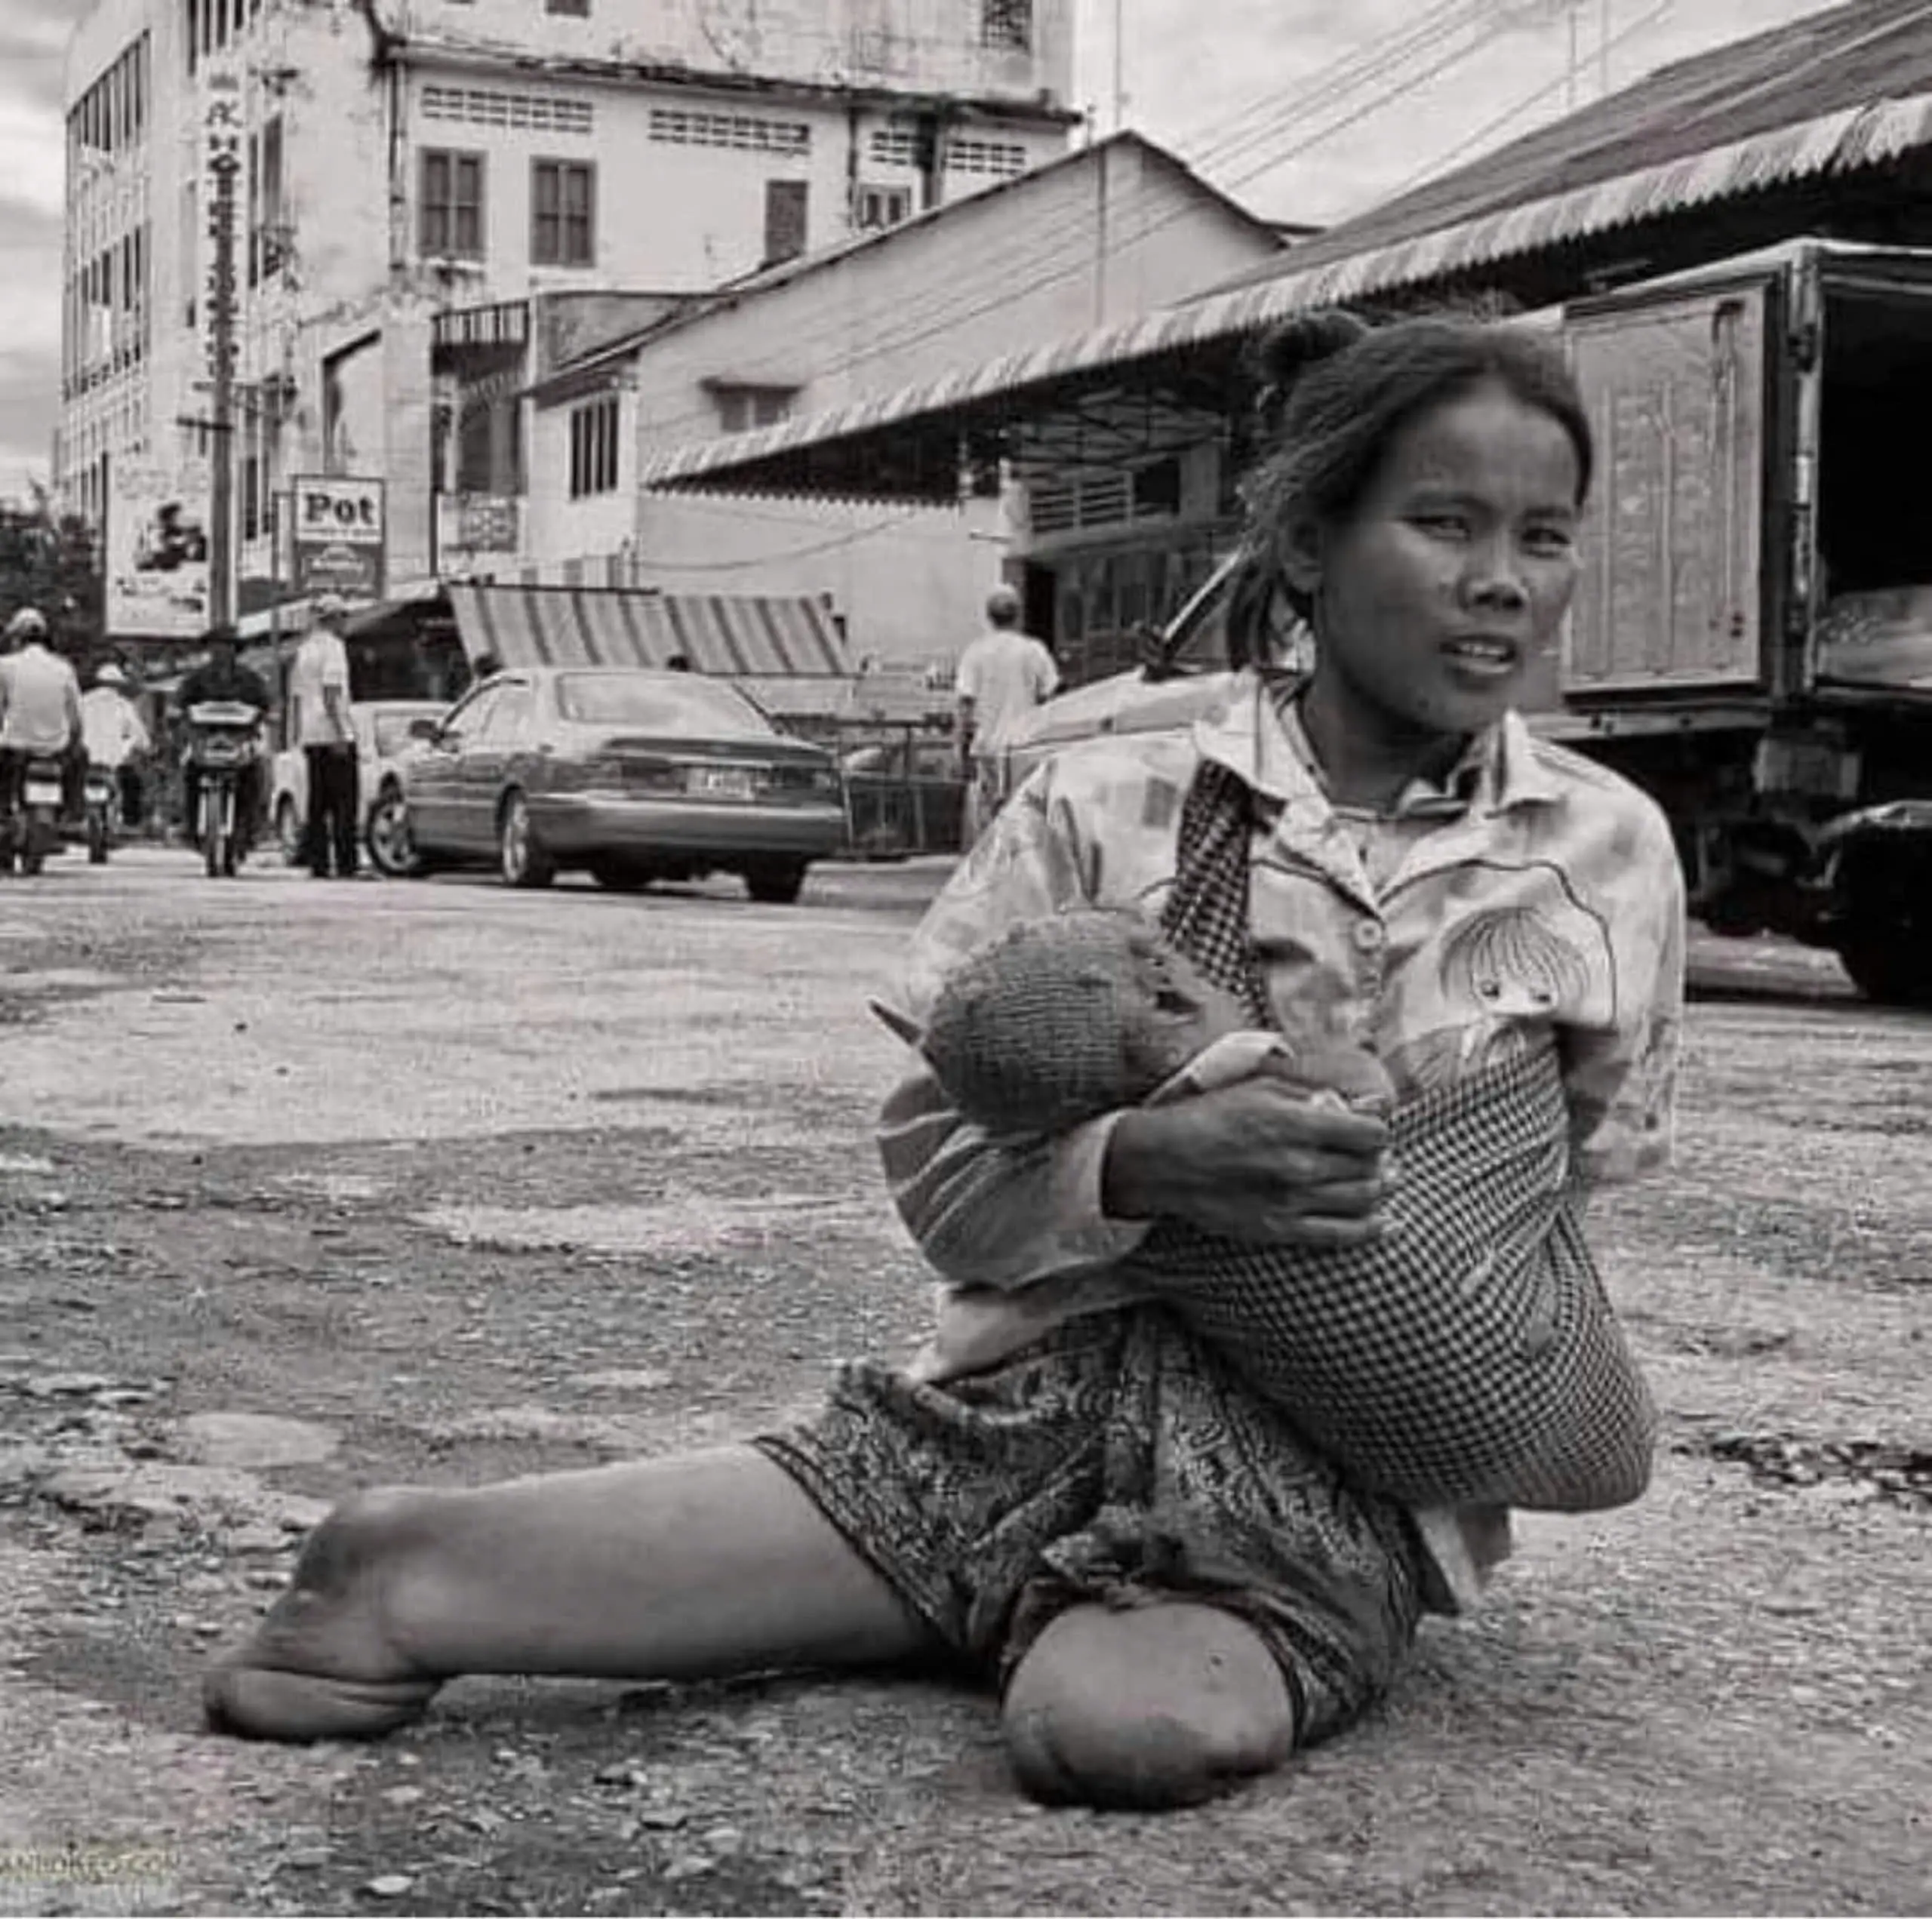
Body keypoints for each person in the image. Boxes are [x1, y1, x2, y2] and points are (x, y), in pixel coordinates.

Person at [203, 312, 1685, 1813]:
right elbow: (939, 1179)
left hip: (1324, 1470)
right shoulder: (1106, 804)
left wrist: (1425, 1360)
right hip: (1022, 1411)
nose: (1502, 576)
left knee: (1124, 1727)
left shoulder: (1602, 850)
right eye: (1442, 523)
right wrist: (1135, 1167)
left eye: (1543, 536)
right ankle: (400, 1569)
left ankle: (998, 1596)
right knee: (920, 1525)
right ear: (1304, 544)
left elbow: (1557, 1206)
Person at [955, 584, 1057, 838]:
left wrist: (959, 745)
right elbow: (1051, 699)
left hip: (988, 747)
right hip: (1026, 748)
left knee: (989, 820)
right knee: (1025, 816)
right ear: (1018, 614)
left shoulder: (975, 653)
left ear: (989, 617)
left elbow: (966, 704)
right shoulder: (1035, 651)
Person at [177, 624, 272, 856]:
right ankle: (190, 827)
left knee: (257, 771)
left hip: (241, 741)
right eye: (217, 646)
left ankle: (250, 830)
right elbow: (181, 705)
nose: (221, 651)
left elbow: (266, 705)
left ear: (235, 650)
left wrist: (265, 716)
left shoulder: (250, 679)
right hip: (205, 742)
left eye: (227, 646)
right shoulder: (196, 679)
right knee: (189, 770)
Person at [288, 592, 359, 878]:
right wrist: (342, 733)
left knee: (318, 803)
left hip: (311, 735)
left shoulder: (304, 650)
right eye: (343, 616)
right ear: (333, 619)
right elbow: (332, 693)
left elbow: (296, 696)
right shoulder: (334, 649)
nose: (345, 622)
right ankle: (346, 864)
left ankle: (318, 863)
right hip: (332, 733)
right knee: (344, 803)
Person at [0, 607, 86, 831]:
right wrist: (74, 744)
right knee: (81, 759)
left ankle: (4, 816)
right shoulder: (63, 668)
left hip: (16, 747)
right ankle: (72, 814)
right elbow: (76, 716)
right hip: (56, 748)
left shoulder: (5, 666)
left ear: (17, 638)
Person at [81, 663, 151, 830]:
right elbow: (140, 737)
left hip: (85, 760)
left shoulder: (83, 701)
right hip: (113, 763)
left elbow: (71, 726)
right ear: (118, 685)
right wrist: (143, 747)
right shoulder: (124, 706)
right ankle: (130, 820)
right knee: (133, 783)